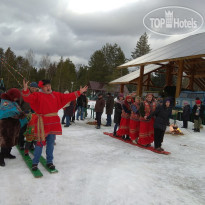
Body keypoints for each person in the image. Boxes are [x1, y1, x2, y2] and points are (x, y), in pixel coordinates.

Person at [22, 79, 87, 171]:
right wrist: (25, 90)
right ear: (42, 87)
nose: (48, 88)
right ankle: (35, 163)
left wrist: (79, 92)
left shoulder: (56, 95)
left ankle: (49, 162)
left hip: (53, 123)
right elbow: (28, 98)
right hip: (42, 124)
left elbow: (67, 96)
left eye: (49, 86)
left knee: (51, 144)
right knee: (39, 144)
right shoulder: (37, 95)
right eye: (46, 86)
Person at [0, 88, 27, 166]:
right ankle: (1, 157)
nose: (17, 98)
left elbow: (17, 110)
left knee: (11, 140)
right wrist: (20, 115)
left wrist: (21, 114)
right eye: (16, 96)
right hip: (6, 125)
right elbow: (6, 112)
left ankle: (7, 154)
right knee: (5, 142)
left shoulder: (13, 101)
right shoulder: (5, 102)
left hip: (13, 125)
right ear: (11, 95)